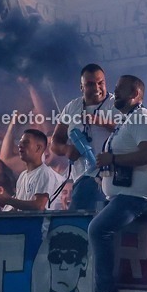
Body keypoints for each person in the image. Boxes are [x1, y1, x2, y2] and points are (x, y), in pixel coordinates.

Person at [83, 75, 147, 292]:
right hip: (123, 193)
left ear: (135, 94)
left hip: (138, 195)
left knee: (98, 229)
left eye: (120, 90)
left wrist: (113, 159)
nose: (115, 94)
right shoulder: (125, 121)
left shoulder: (143, 118)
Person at [52, 64, 113, 210]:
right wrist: (66, 149)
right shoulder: (72, 107)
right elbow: (55, 142)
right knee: (78, 225)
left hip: (111, 178)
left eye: (100, 83)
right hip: (82, 178)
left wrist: (100, 122)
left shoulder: (115, 104)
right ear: (82, 87)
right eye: (90, 84)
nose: (97, 88)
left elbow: (127, 129)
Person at [0, 129, 61, 211]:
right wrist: (1, 203)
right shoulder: (22, 176)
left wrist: (8, 200)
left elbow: (39, 206)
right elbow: (18, 207)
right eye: (20, 142)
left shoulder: (44, 173)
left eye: (26, 142)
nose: (20, 145)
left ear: (38, 148)